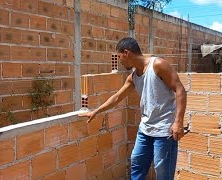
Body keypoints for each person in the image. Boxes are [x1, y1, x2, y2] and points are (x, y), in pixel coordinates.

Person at [79, 37, 187, 180]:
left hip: (164, 131)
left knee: (163, 173)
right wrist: (96, 111)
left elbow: (180, 90)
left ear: (126, 53)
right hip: (145, 130)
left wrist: (178, 122)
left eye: (119, 57)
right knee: (137, 165)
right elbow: (117, 97)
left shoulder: (158, 65)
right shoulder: (134, 76)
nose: (120, 62)